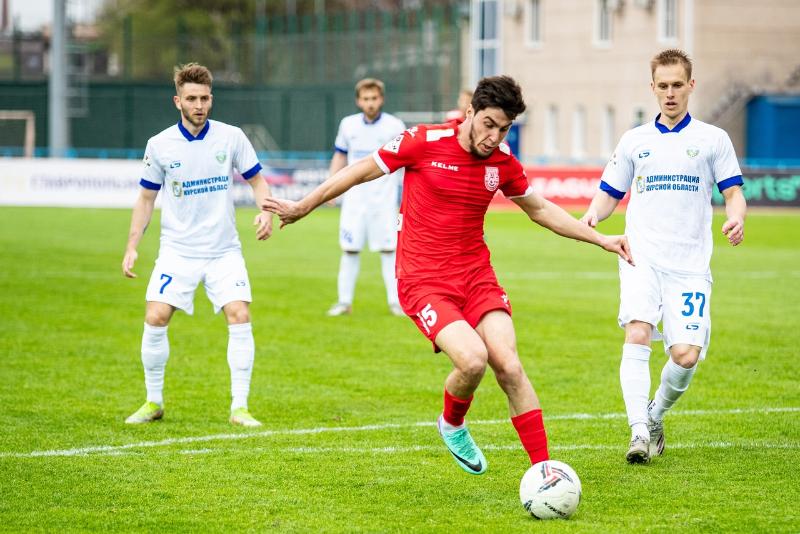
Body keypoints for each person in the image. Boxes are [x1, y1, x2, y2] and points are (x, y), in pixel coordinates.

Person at [263, 76, 633, 475]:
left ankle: (544, 471)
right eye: (488, 124)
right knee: (473, 361)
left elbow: (540, 209)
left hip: (476, 277)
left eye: (504, 129)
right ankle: (452, 423)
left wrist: (600, 239)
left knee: (509, 365)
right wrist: (303, 205)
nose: (494, 137)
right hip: (422, 280)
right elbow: (359, 171)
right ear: (470, 112)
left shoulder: (502, 162)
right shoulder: (422, 141)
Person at [580, 49, 747, 464]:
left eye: (677, 85)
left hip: (690, 266)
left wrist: (736, 217)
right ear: (652, 88)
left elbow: (733, 192)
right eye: (662, 86)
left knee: (685, 356)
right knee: (637, 331)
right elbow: (610, 193)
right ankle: (638, 431)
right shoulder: (634, 140)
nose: (670, 93)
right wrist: (593, 214)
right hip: (641, 258)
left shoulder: (713, 139)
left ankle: (655, 415)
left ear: (691, 86)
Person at [121, 62, 273, 427]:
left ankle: (240, 408)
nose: (199, 105)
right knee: (155, 317)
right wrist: (132, 245)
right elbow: (146, 199)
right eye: (191, 99)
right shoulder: (159, 145)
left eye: (204, 98)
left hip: (224, 251)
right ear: (178, 101)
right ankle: (153, 401)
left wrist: (265, 211)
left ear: (211, 99)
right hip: (177, 251)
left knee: (240, 315)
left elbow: (257, 182)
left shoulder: (231, 137)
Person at [326, 78, 406, 317]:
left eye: (374, 98)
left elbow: (406, 160)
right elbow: (340, 156)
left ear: (381, 99)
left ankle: (396, 303)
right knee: (350, 250)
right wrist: (331, 186)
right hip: (354, 202)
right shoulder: (348, 125)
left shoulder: (394, 126)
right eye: (366, 99)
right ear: (358, 101)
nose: (370, 103)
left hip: (384, 201)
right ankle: (344, 302)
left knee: (389, 250)